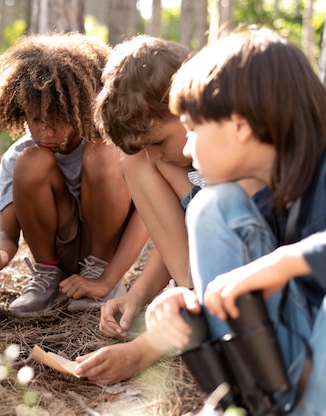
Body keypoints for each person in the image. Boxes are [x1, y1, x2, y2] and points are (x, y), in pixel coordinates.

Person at [144, 28, 326, 414]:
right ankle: (246, 401)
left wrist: (280, 263)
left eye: (193, 129)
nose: (187, 147)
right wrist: (188, 304)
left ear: (241, 126)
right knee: (212, 206)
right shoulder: (266, 195)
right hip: (295, 362)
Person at [0, 32, 148, 318]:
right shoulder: (19, 156)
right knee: (30, 162)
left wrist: (107, 279)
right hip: (58, 252)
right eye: (36, 119)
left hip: (109, 255)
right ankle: (48, 278)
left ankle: (98, 272)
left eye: (59, 120)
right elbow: (8, 235)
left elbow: (148, 216)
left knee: (103, 152)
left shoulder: (115, 147)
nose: (46, 131)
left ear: (85, 108)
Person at [72, 35, 195, 384]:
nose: (156, 155)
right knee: (134, 159)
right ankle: (186, 296)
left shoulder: (229, 162)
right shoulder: (175, 156)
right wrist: (138, 295)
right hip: (200, 279)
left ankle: (188, 306)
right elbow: (179, 238)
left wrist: (139, 353)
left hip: (230, 284)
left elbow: (225, 263)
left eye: (159, 142)